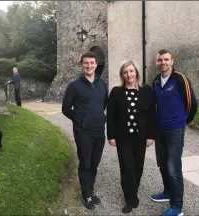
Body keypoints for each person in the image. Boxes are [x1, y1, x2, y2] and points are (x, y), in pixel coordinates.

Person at [150, 49, 198, 216]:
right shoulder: (155, 82)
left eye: (166, 59)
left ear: (172, 61)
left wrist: (183, 122)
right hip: (160, 129)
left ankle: (177, 208)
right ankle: (167, 192)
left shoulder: (180, 79)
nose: (163, 63)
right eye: (160, 60)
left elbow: (192, 103)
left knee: (173, 167)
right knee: (162, 163)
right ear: (157, 63)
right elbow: (154, 106)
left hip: (175, 130)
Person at [107, 60, 156, 214]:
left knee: (138, 167)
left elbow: (151, 115)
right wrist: (111, 136)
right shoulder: (116, 92)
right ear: (122, 75)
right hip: (123, 137)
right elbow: (111, 116)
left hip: (140, 137)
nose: (129, 74)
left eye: (131, 71)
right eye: (125, 72)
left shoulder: (146, 91)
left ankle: (133, 191)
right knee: (127, 167)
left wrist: (150, 136)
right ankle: (130, 199)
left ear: (136, 72)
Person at [62, 51, 108, 210]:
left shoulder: (102, 85)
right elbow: (65, 108)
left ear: (96, 65)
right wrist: (80, 120)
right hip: (83, 133)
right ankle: (86, 194)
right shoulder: (74, 86)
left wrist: (100, 119)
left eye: (92, 63)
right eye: (86, 63)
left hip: (99, 131)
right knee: (85, 163)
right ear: (81, 65)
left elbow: (103, 105)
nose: (89, 66)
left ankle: (90, 189)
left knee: (95, 163)